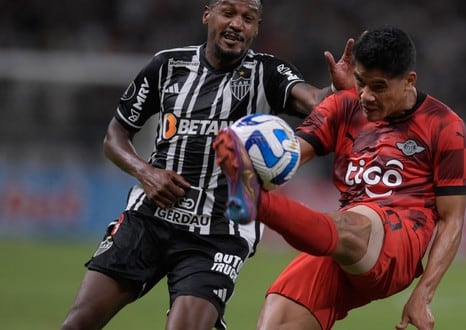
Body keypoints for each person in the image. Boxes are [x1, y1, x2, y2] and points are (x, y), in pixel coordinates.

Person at [60, 1, 355, 329]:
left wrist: (335, 89)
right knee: (78, 323)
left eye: (248, 19)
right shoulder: (167, 66)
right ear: (207, 15)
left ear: (257, 28)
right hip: (149, 219)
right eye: (228, 13)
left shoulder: (268, 72)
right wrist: (146, 171)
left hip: (218, 233)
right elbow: (115, 135)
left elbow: (314, 100)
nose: (237, 25)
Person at [214, 25, 466, 330]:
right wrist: (251, 153)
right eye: (361, 83)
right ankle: (254, 198)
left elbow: (452, 219)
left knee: (355, 221)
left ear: (409, 81)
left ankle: (258, 203)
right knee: (277, 319)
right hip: (339, 244)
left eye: (379, 86)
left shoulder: (445, 126)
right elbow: (291, 154)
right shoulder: (344, 104)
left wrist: (423, 294)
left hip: (399, 239)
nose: (366, 96)